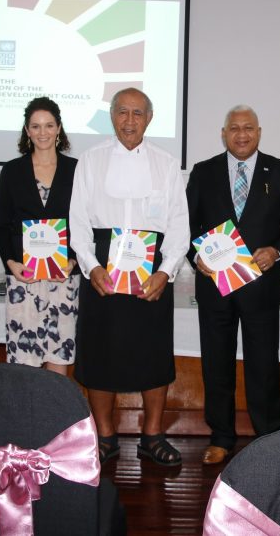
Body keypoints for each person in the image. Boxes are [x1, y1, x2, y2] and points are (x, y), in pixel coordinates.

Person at [68, 87, 189, 466]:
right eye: (123, 112)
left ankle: (152, 436)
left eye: (138, 113)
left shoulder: (167, 164)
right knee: (99, 352)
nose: (130, 120)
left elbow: (179, 225)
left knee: (153, 353)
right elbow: (78, 222)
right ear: (111, 116)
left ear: (149, 118)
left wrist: (166, 272)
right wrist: (91, 266)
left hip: (151, 272)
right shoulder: (90, 161)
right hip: (102, 270)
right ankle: (105, 437)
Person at [186, 105, 280, 465]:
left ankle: (268, 438)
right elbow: (187, 223)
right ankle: (221, 437)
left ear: (259, 132)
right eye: (235, 128)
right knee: (216, 366)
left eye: (249, 128)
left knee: (264, 367)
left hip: (261, 288)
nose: (242, 135)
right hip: (215, 287)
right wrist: (196, 256)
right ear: (223, 133)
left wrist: (278, 251)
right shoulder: (204, 171)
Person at [0, 97, 79, 374]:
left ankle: (57, 407)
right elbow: (2, 223)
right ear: (27, 131)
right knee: (24, 364)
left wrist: (72, 261)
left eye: (49, 125)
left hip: (63, 279)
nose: (43, 132)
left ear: (59, 128)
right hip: (24, 279)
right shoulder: (12, 171)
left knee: (59, 359)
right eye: (36, 126)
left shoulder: (76, 170)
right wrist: (11, 263)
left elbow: (84, 223)